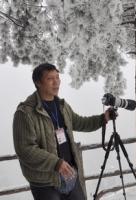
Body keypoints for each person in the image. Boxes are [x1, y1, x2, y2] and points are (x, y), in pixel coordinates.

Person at [13, 63, 112, 200]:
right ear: (38, 82)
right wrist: (56, 163)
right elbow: (25, 149)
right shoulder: (25, 113)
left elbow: (80, 123)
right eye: (50, 79)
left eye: (57, 77)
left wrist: (103, 119)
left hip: (70, 174)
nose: (56, 82)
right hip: (45, 183)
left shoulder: (62, 106)